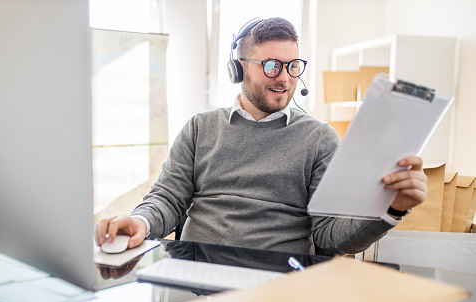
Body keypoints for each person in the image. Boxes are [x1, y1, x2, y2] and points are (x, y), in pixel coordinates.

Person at [95, 17, 427, 256]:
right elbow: (168, 199)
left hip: (278, 285)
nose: (284, 77)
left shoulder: (319, 138)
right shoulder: (201, 127)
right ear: (239, 67)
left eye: (292, 65)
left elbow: (328, 237)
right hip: (197, 272)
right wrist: (139, 220)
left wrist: (391, 210)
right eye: (272, 66)